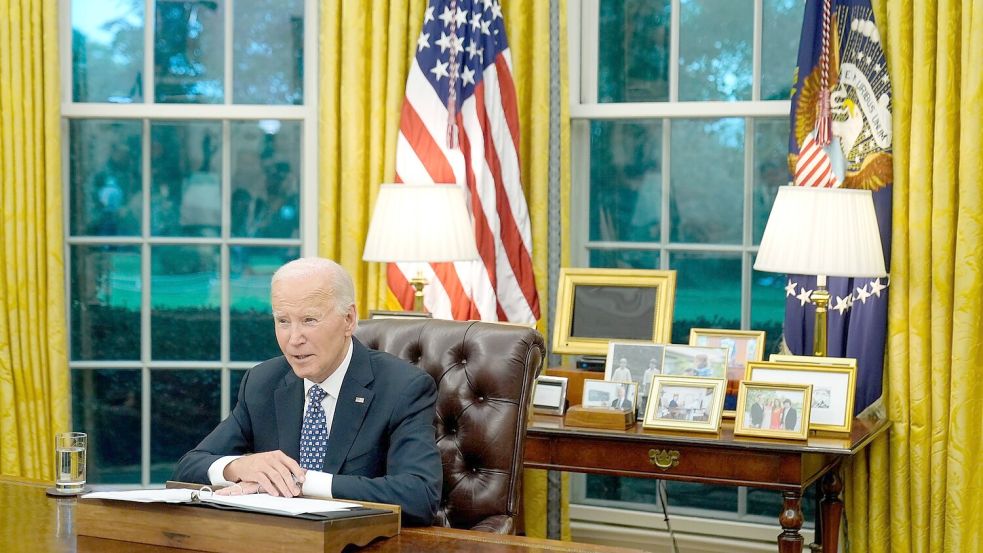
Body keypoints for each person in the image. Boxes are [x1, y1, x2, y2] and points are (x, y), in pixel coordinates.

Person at [172, 257, 442, 526]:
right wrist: (237, 468)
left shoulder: (402, 387)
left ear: (348, 319)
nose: (294, 338)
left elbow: (419, 496)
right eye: (283, 321)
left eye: (309, 320)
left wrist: (301, 480)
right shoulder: (263, 382)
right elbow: (188, 467)